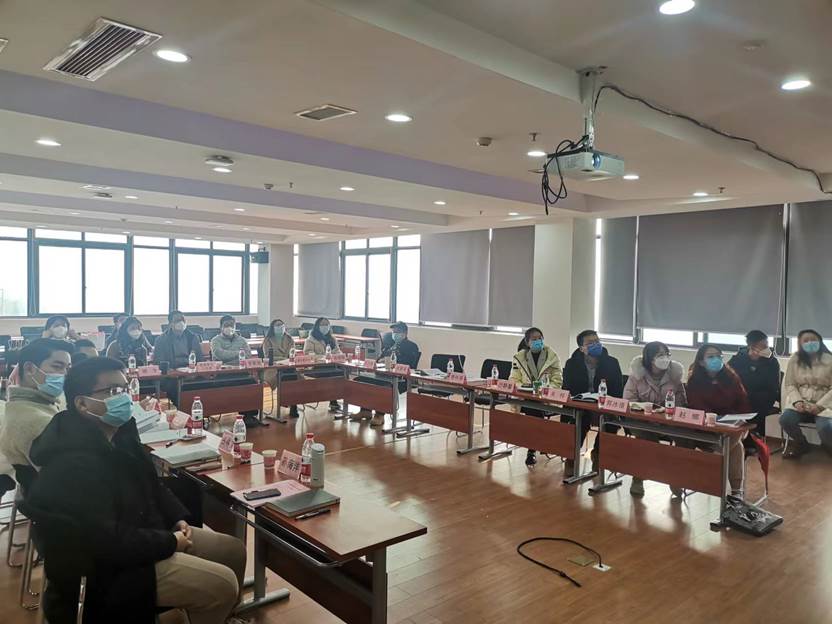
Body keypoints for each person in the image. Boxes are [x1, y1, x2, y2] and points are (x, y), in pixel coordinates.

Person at [26, 357, 246, 624]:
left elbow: (151, 483)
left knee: (232, 550)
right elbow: (107, 540)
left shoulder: (120, 433)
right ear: (82, 403)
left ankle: (224, 616)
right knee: (221, 585)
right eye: (112, 391)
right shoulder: (72, 463)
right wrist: (170, 542)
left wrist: (176, 518)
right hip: (106, 569)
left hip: (141, 534)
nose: (123, 397)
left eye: (125, 388)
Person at [623, 341, 687, 497]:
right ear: (650, 358)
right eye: (660, 355)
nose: (665, 358)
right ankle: (638, 479)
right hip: (640, 421)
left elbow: (682, 402)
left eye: (667, 354)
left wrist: (667, 410)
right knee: (646, 441)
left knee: (686, 440)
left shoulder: (675, 377)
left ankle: (677, 478)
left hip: (667, 421)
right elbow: (628, 401)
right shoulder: (636, 377)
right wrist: (645, 409)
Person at [686, 344, 749, 496]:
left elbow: (743, 402)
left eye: (719, 356)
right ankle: (737, 492)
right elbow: (697, 406)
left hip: (731, 426)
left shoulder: (731, 377)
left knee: (734, 435)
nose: (716, 359)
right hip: (707, 428)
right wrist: (715, 421)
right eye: (711, 356)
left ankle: (717, 456)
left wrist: (741, 419)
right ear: (701, 362)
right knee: (737, 446)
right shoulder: (695, 380)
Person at [0, 339, 72, 470]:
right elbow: (66, 475)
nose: (65, 374)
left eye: (67, 368)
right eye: (57, 366)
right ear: (29, 368)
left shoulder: (21, 405)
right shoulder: (36, 420)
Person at [562, 330, 624, 473]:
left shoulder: (612, 363)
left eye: (597, 341)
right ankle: (571, 456)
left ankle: (597, 455)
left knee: (610, 423)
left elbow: (617, 389)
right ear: (581, 348)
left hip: (605, 406)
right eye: (590, 343)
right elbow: (568, 387)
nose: (596, 345)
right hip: (581, 405)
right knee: (581, 421)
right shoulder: (572, 364)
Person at [509, 327, 563, 467]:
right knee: (532, 409)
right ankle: (538, 442)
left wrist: (546, 390)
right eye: (534, 339)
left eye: (540, 338)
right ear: (527, 342)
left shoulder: (552, 356)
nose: (538, 341)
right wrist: (524, 387)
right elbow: (514, 379)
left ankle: (532, 448)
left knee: (533, 411)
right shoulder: (519, 357)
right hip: (525, 396)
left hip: (546, 397)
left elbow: (557, 380)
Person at [779, 329, 832, 458]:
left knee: (825, 427)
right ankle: (801, 444)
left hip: (825, 404)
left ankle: (829, 447)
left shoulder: (830, 359)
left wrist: (820, 406)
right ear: (800, 343)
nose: (810, 343)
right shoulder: (795, 359)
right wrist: (797, 401)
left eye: (813, 340)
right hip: (802, 402)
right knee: (785, 420)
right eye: (806, 340)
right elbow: (790, 384)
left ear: (820, 341)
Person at [359, 322, 420, 427]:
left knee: (384, 386)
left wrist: (391, 362)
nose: (395, 334)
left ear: (405, 333)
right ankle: (365, 410)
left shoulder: (411, 346)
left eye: (397, 332)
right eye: (393, 332)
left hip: (400, 378)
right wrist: (380, 360)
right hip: (383, 375)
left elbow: (409, 363)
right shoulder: (390, 345)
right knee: (361, 380)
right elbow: (378, 359)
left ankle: (379, 415)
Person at [728, 330, 781, 448]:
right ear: (752, 347)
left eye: (767, 345)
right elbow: (728, 376)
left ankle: (754, 443)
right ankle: (735, 441)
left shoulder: (772, 362)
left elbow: (772, 387)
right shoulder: (738, 359)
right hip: (740, 397)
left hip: (762, 399)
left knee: (753, 410)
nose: (767, 349)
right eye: (763, 346)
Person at [262, 319, 299, 419]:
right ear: (273, 328)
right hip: (273, 367)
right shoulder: (268, 340)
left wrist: (286, 359)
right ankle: (288, 402)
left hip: (288, 366)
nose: (280, 327)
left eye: (281, 325)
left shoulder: (289, 338)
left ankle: (293, 404)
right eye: (277, 325)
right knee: (285, 377)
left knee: (293, 377)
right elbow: (268, 356)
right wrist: (283, 359)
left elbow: (292, 353)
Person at [304, 317, 342, 412]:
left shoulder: (332, 339)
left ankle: (339, 398)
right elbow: (308, 354)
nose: (325, 326)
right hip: (316, 367)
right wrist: (322, 357)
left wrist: (337, 356)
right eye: (322, 324)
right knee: (331, 374)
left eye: (327, 324)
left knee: (342, 373)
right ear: (317, 326)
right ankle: (333, 400)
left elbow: (338, 352)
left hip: (331, 365)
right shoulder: (311, 339)